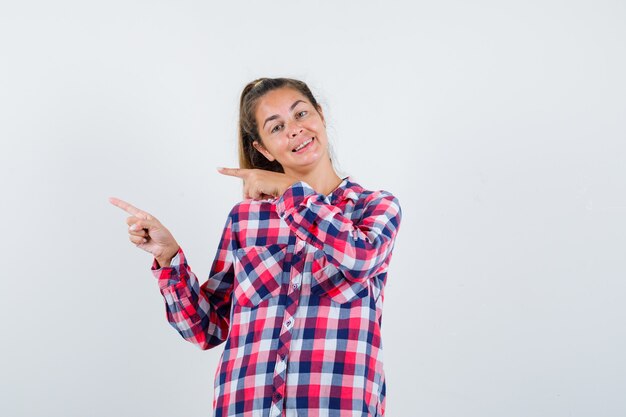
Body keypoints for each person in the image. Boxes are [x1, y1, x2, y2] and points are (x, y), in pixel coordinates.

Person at [110, 77, 402, 417]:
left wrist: (290, 189)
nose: (294, 130)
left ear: (321, 116)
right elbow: (206, 329)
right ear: (262, 149)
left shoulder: (376, 207)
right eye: (276, 127)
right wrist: (169, 257)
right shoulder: (245, 219)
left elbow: (361, 258)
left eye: (301, 114)